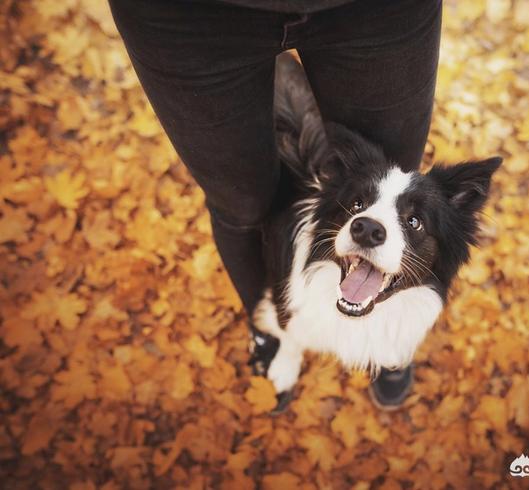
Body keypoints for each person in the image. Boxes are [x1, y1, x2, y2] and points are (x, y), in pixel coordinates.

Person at [108, 0, 442, 409]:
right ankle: (275, 331)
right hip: (185, 16)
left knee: (393, 179)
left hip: (373, 11)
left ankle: (391, 340)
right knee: (241, 206)